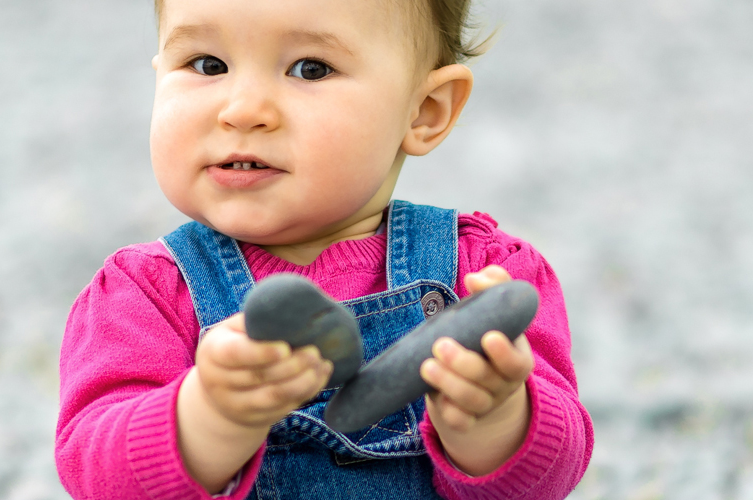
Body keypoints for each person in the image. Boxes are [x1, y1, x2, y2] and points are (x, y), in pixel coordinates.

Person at [54, 0, 594, 497]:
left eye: (309, 68)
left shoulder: (482, 275)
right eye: (207, 64)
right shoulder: (143, 295)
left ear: (424, 111)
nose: (243, 110)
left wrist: (494, 416)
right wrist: (208, 417)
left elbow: (550, 477)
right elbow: (94, 475)